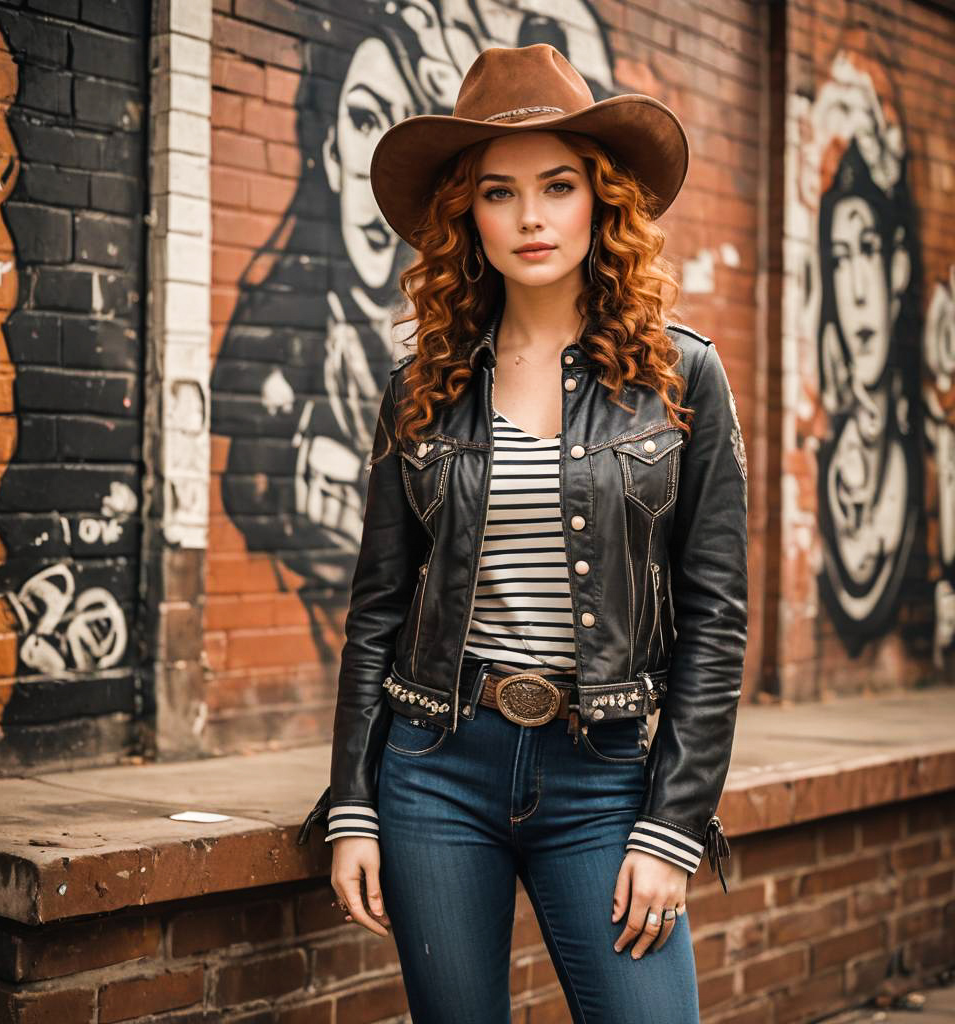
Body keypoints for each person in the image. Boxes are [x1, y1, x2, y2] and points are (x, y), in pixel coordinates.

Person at [297, 43, 748, 1024]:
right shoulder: (420, 388)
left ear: (603, 199)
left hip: (603, 774)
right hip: (434, 770)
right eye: (499, 193)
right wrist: (354, 805)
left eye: (558, 184)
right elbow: (377, 605)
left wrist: (671, 825)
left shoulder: (682, 378)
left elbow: (716, 617)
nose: (531, 217)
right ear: (468, 213)